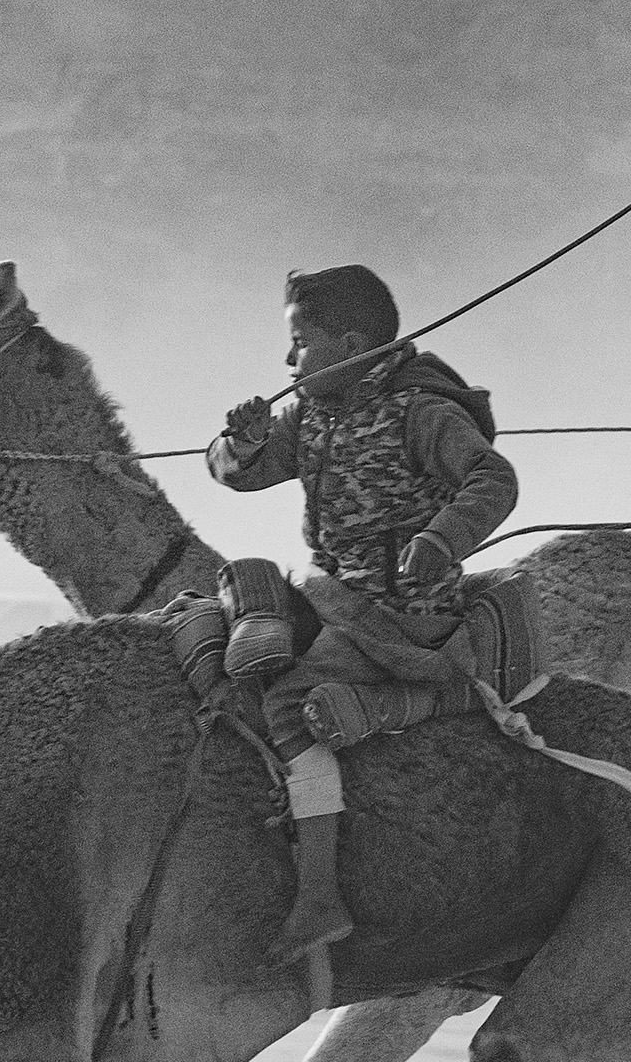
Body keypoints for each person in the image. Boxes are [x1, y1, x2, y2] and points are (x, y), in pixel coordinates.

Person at [210, 264, 519, 956]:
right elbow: (236, 473)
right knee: (234, 599)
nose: (288, 360)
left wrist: (442, 539)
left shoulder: (420, 413)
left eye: (300, 342)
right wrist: (243, 443)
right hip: (335, 598)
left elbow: (492, 478)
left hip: (397, 617)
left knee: (289, 705)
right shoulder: (312, 414)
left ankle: (321, 897)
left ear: (350, 344)